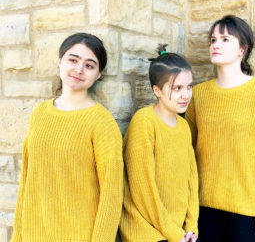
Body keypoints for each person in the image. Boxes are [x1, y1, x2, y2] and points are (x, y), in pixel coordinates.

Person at [10, 33, 123, 242]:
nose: (79, 69)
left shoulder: (102, 123)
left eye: (89, 65)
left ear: (98, 74)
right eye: (73, 59)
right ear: (59, 61)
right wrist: (17, 236)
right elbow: (27, 182)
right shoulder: (40, 114)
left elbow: (112, 195)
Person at [185, 15, 255, 242]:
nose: (216, 45)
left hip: (247, 211)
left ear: (242, 49)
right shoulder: (198, 95)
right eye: (213, 40)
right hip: (204, 209)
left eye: (224, 39)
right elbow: (186, 150)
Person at [120, 44, 199, 242]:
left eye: (189, 86)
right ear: (157, 90)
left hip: (179, 231)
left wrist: (191, 226)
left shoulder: (183, 126)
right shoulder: (144, 122)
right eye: (177, 88)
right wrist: (174, 234)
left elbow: (191, 180)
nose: (186, 95)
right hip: (148, 231)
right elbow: (142, 189)